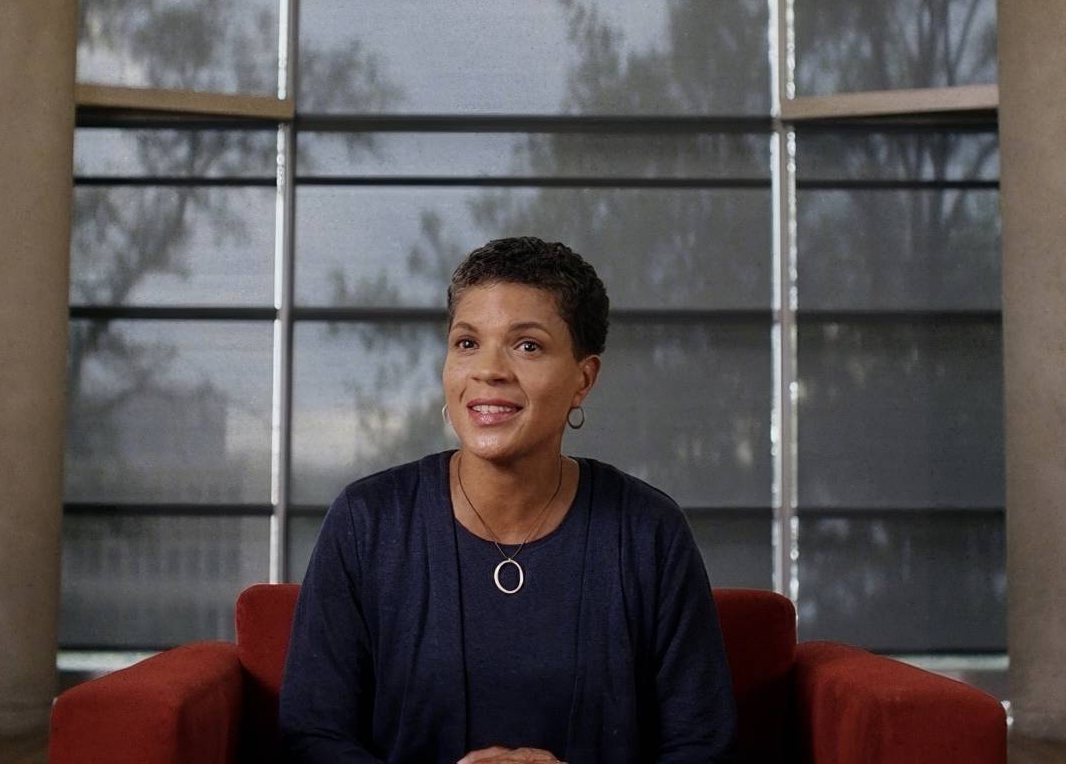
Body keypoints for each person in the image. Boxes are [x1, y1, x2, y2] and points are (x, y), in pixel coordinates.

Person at [280, 236, 737, 763]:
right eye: (467, 343)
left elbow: (703, 747)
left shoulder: (649, 532)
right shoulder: (368, 523)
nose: (489, 370)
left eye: (527, 346)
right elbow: (311, 737)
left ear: (583, 379)